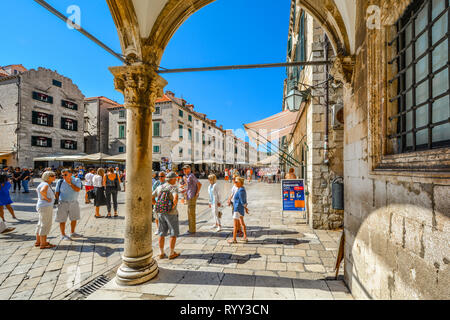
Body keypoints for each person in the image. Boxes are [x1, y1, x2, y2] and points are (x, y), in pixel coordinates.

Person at [152, 172, 180, 260]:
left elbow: (151, 197)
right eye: (175, 179)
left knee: (161, 233)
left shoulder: (160, 187)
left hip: (160, 212)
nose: (176, 180)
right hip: (171, 213)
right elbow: (175, 199)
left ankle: (161, 253)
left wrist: (157, 205)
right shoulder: (173, 188)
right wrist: (172, 207)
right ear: (172, 179)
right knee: (173, 232)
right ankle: (171, 253)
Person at [55, 169, 82, 240]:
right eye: (62, 175)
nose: (63, 176)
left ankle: (72, 233)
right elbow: (57, 192)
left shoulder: (77, 180)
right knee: (62, 219)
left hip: (73, 202)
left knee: (74, 218)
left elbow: (78, 189)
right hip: (62, 203)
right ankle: (63, 234)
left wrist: (69, 183)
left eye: (65, 175)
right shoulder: (60, 181)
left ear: (70, 174)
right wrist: (57, 201)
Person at [35, 171, 56, 249]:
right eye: (53, 175)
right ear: (48, 177)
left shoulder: (42, 184)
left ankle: (38, 241)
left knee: (40, 223)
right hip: (46, 206)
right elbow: (42, 191)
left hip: (41, 205)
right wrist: (47, 199)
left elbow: (39, 191)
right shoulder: (46, 184)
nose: (55, 176)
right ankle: (43, 243)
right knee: (45, 224)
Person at [180, 165, 202, 234]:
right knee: (189, 213)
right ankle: (191, 229)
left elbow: (199, 184)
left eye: (185, 169)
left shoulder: (191, 175)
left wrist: (197, 193)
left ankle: (192, 230)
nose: (184, 170)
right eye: (183, 169)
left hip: (192, 196)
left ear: (189, 169)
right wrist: (184, 189)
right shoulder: (187, 177)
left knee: (191, 213)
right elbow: (190, 186)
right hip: (189, 196)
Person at [228, 177, 249, 244]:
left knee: (235, 225)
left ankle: (234, 239)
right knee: (242, 223)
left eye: (236, 182)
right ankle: (245, 237)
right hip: (240, 208)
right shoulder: (241, 189)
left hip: (237, 208)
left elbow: (243, 201)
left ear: (240, 183)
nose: (235, 183)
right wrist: (245, 208)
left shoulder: (240, 190)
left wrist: (245, 207)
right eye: (235, 181)